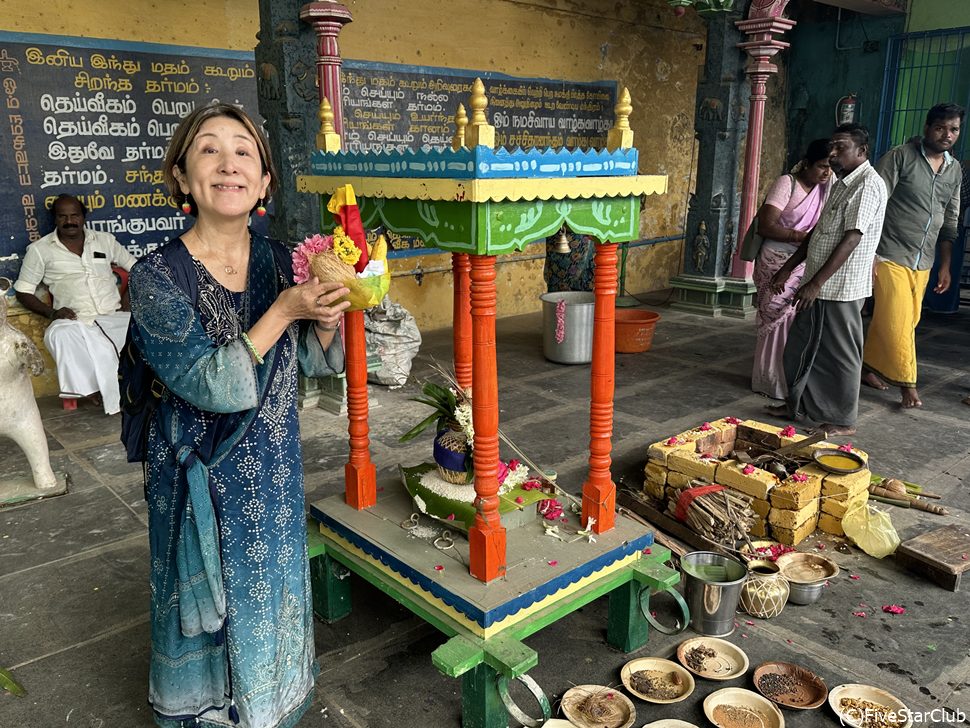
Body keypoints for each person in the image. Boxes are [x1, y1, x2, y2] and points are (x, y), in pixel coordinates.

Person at [128, 102, 350, 728]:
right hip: (196, 477)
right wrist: (283, 310)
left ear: (265, 182)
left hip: (271, 471)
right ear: (180, 177)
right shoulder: (154, 276)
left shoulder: (286, 261)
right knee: (201, 610)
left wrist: (327, 321)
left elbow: (315, 363)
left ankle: (270, 704)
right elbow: (209, 383)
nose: (229, 164)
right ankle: (203, 712)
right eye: (208, 150)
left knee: (268, 591)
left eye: (244, 152)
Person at [769, 123, 888, 436]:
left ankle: (842, 419)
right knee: (799, 346)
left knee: (841, 356)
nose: (833, 154)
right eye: (831, 147)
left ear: (861, 152)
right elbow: (819, 232)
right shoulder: (841, 181)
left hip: (841, 288)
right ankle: (797, 404)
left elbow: (851, 239)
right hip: (817, 281)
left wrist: (815, 283)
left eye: (841, 147)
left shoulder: (868, 185)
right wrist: (789, 268)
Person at [862, 102, 963, 409]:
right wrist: (869, 254)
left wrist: (945, 266)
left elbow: (950, 220)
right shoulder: (900, 157)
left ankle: (867, 368)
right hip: (889, 253)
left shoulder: (954, 169)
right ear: (927, 127)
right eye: (940, 127)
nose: (947, 135)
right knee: (900, 322)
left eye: (954, 129)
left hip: (925, 261)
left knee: (902, 319)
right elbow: (874, 203)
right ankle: (908, 385)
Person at [13, 194, 137, 414]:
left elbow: (137, 270)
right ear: (55, 219)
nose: (69, 221)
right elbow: (23, 290)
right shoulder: (40, 250)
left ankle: (131, 390)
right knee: (59, 335)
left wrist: (127, 301)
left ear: (83, 216)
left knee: (145, 332)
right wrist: (52, 313)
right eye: (63, 216)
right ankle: (90, 389)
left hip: (115, 317)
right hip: (76, 320)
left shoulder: (104, 241)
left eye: (74, 215)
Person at [751, 139, 833, 400]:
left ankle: (787, 379)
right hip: (775, 258)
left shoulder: (826, 188)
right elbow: (766, 226)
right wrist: (800, 236)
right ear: (807, 163)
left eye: (830, 167)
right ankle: (768, 380)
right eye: (821, 166)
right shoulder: (786, 183)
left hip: (803, 260)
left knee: (793, 320)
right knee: (774, 318)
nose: (826, 172)